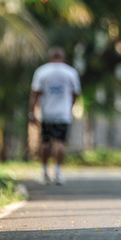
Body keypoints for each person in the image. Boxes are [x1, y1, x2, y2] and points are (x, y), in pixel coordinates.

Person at [29, 47, 81, 185]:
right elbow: (75, 93)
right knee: (59, 142)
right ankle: (58, 172)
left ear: (50, 58)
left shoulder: (42, 71)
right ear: (63, 58)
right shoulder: (70, 72)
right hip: (63, 113)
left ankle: (44, 172)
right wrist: (69, 107)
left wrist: (31, 112)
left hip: (46, 113)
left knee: (45, 142)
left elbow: (35, 94)